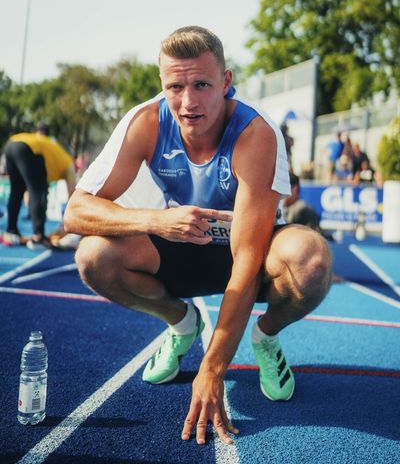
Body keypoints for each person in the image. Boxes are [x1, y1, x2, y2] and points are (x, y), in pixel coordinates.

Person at [64, 26, 332, 446]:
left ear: (225, 82)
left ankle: (267, 336)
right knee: (93, 257)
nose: (188, 102)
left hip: (252, 252)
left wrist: (213, 368)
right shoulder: (146, 122)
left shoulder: (255, 134)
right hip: (181, 243)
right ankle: (181, 322)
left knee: (310, 259)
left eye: (202, 84)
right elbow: (76, 211)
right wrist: (155, 221)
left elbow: (245, 259)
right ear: (162, 85)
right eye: (175, 86)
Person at [2, 122, 76, 249]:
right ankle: (38, 237)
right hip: (29, 149)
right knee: (38, 191)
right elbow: (73, 197)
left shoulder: (52, 151)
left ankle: (11, 231)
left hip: (11, 145)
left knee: (17, 190)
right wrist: (68, 222)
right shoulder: (68, 164)